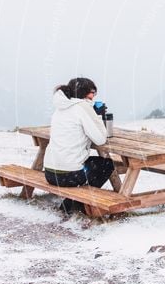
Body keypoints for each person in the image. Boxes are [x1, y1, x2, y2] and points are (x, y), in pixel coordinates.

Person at [43, 77, 115, 215]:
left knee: (93, 163)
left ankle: (74, 202)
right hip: (69, 176)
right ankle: (74, 204)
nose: (93, 96)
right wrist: (96, 116)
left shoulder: (60, 107)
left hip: (50, 173)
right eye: (92, 92)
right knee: (106, 165)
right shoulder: (83, 107)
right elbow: (100, 139)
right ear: (84, 93)